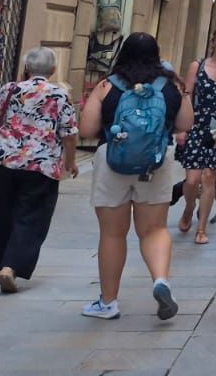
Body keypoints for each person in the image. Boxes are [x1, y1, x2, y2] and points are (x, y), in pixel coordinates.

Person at [78, 32, 191, 320]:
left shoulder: (107, 85)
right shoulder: (171, 86)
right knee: (154, 230)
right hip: (155, 164)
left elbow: (87, 129)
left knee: (113, 234)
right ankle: (160, 280)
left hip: (112, 163)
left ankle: (108, 302)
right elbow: (185, 124)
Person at [0, 47, 79, 292]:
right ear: (53, 70)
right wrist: (70, 161)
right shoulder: (60, 94)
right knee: (31, 216)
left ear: (26, 68)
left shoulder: (10, 88)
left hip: (2, 160)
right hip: (40, 164)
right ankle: (10, 267)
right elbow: (69, 132)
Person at [175, 28, 216, 243]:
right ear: (212, 43)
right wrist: (182, 127)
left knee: (209, 176)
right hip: (196, 124)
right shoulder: (198, 66)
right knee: (192, 180)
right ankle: (189, 207)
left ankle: (201, 228)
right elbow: (187, 94)